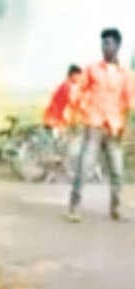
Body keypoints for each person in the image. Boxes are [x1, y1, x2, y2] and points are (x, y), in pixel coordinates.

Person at [67, 28, 133, 223]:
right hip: (94, 125)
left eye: (109, 43)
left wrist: (125, 126)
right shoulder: (92, 69)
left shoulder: (125, 74)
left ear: (117, 46)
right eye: (103, 43)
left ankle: (116, 209)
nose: (105, 47)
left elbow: (129, 101)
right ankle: (74, 207)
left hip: (114, 127)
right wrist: (82, 108)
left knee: (117, 171)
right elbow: (78, 90)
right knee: (84, 168)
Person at [44, 64, 83, 132]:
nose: (80, 78)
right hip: (57, 122)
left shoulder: (63, 85)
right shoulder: (67, 87)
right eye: (79, 76)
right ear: (73, 75)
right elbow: (73, 103)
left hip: (53, 120)